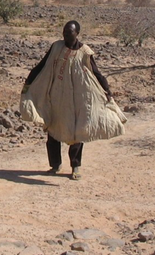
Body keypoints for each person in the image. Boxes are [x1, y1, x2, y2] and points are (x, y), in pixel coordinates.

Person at [22, 20, 119, 181]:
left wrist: (107, 90)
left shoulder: (85, 52)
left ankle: (75, 166)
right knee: (53, 130)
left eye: (69, 33)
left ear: (77, 34)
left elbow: (96, 73)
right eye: (64, 32)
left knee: (76, 133)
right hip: (57, 97)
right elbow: (41, 66)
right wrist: (28, 82)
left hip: (76, 99)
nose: (66, 35)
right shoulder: (56, 47)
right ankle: (55, 165)